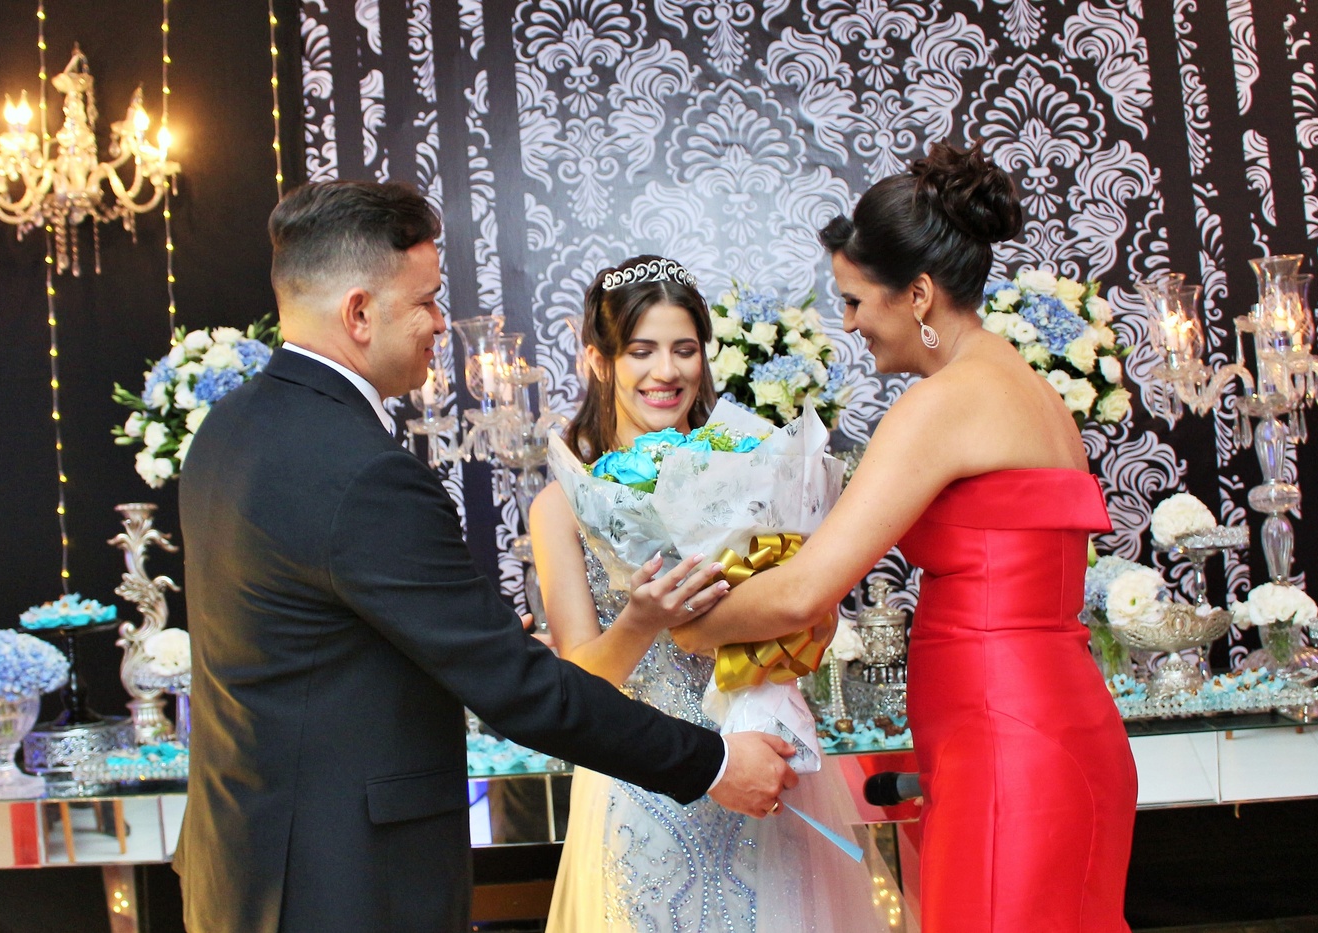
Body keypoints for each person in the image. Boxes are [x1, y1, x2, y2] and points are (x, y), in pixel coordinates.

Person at [175, 182, 799, 933]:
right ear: (359, 313)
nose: (442, 323)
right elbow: (516, 687)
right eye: (427, 301)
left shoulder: (227, 430)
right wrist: (713, 763)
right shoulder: (363, 471)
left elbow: (315, 649)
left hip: (242, 864)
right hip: (341, 882)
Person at [673, 142, 1139, 933]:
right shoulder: (1031, 389)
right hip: (1058, 729)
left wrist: (685, 625)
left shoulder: (943, 403)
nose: (848, 322)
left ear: (918, 293)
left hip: (1007, 745)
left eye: (856, 300)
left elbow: (807, 589)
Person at [530, 254, 905, 932]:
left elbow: (804, 614)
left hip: (762, 768)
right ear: (598, 361)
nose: (666, 371)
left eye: (684, 349)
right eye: (641, 350)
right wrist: (641, 620)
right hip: (641, 795)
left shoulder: (754, 474)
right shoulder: (562, 507)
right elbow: (575, 687)